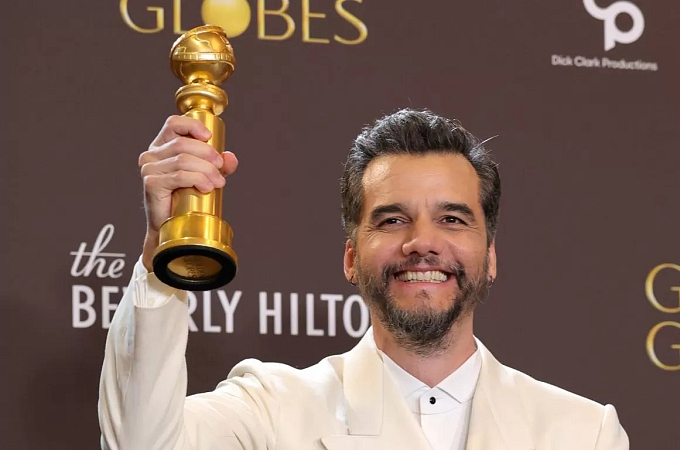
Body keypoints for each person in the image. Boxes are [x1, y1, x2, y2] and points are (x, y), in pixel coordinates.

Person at [98, 109, 629, 450]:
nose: (423, 241)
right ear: (351, 258)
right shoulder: (273, 409)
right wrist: (164, 244)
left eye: (452, 218)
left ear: (490, 255)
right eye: (393, 220)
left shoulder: (582, 432)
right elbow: (139, 443)